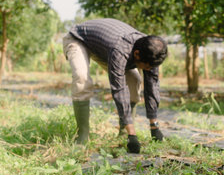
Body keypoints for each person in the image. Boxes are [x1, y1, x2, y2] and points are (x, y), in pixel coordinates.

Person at [63, 18, 168, 153]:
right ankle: (82, 136)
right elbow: (119, 90)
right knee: (82, 77)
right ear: (137, 54)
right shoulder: (120, 50)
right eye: (146, 67)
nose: (149, 70)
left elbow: (152, 86)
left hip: (104, 47)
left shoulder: (152, 52)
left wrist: (154, 126)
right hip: (78, 39)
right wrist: (133, 134)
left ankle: (123, 134)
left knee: (135, 80)